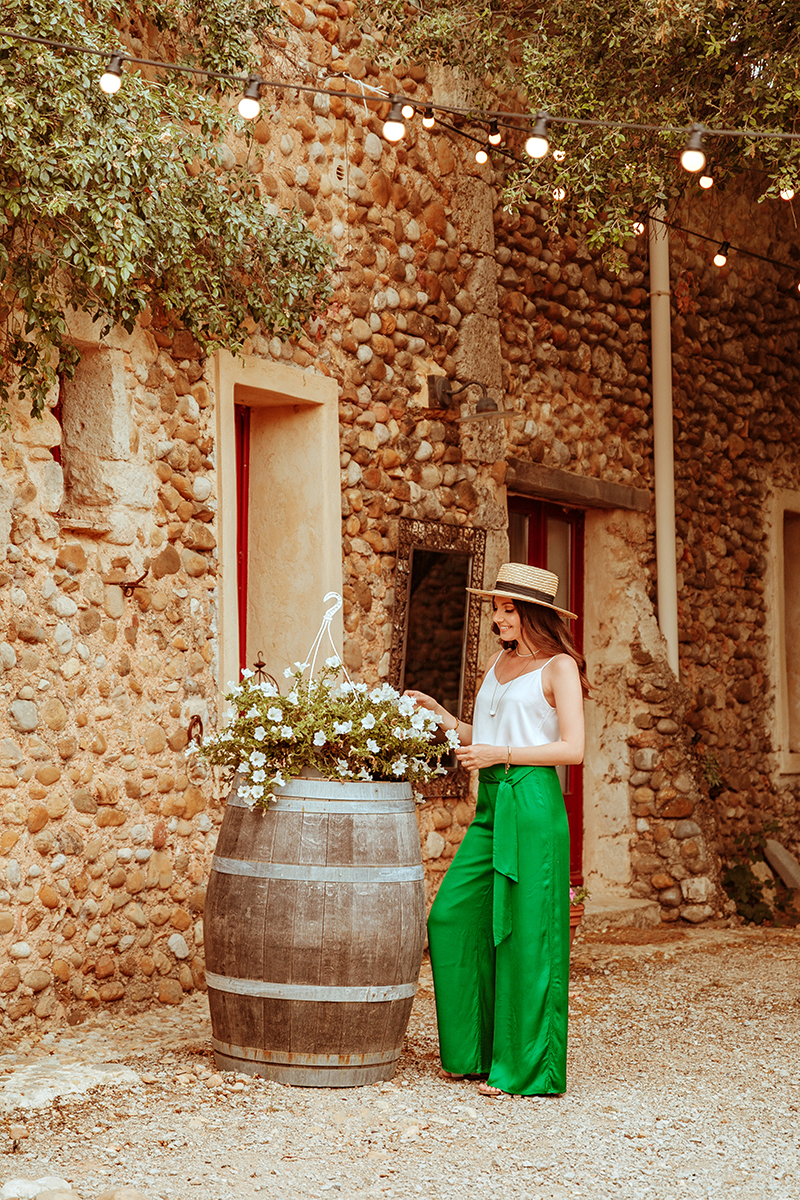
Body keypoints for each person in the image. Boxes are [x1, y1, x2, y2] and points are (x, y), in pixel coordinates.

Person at [405, 562, 589, 1098]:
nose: (499, 619)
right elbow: (480, 734)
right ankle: (474, 1054)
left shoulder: (559, 668)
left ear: (533, 613)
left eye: (508, 610)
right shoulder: (497, 664)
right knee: (453, 916)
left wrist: (499, 754)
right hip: (492, 805)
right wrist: (441, 714)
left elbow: (572, 749)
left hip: (531, 802)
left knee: (527, 935)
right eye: (497, 610)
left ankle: (527, 1070)